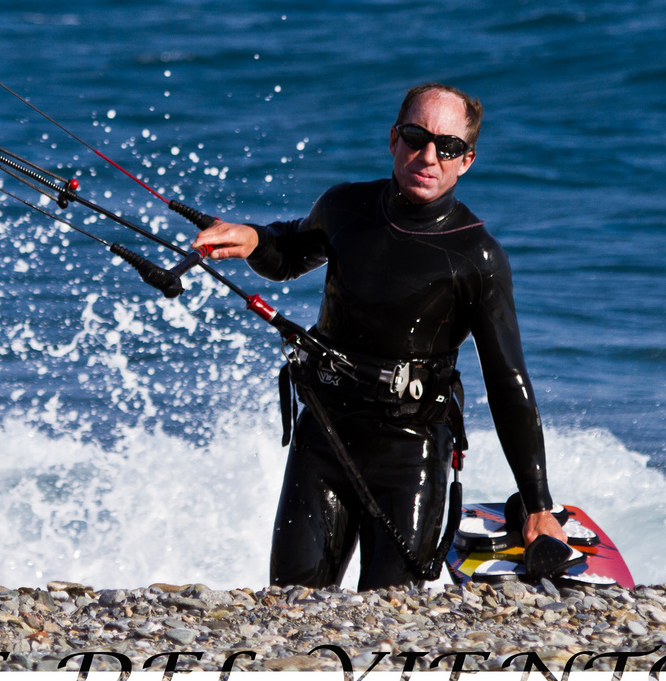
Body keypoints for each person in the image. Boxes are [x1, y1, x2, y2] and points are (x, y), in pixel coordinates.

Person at [191, 83, 564, 590]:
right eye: (416, 136)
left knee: (389, 616)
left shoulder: (478, 257)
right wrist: (254, 238)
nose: (428, 155)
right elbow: (290, 251)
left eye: (447, 146)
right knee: (290, 605)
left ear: (466, 160)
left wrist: (538, 504)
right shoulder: (345, 208)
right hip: (324, 436)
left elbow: (507, 381)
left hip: (411, 454)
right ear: (394, 139)